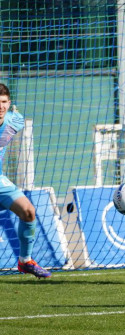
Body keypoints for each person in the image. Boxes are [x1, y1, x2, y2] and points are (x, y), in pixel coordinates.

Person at [0, 84, 50, 279]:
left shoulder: (14, 121)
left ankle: (25, 261)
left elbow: (16, 121)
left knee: (29, 211)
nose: (1, 106)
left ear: (9, 103)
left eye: (4, 102)